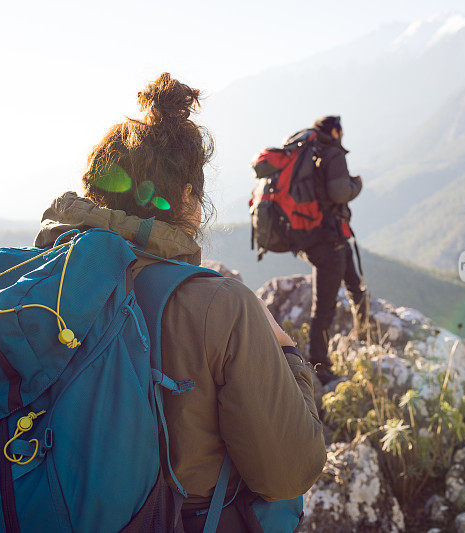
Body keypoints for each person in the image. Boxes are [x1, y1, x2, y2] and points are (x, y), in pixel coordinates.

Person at [34, 73, 326, 531]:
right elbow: (290, 472)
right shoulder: (220, 305)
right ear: (188, 197)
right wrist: (288, 355)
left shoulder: (32, 284)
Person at [297, 116, 367, 385]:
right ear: (335, 131)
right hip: (329, 241)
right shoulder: (333, 153)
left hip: (323, 237)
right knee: (323, 309)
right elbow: (339, 192)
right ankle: (320, 367)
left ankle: (365, 333)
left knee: (354, 284)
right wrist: (356, 184)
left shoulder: (312, 153)